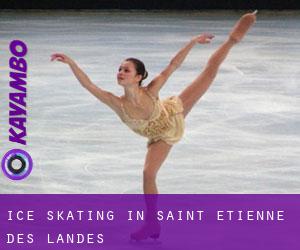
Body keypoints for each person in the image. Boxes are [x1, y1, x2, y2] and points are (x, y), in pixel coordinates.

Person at [51, 11, 257, 240]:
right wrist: (71, 63)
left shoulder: (151, 90)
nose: (120, 73)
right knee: (148, 174)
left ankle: (232, 39)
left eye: (126, 70)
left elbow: (174, 65)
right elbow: (88, 85)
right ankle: (151, 223)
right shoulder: (116, 103)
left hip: (175, 112)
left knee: (208, 72)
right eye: (119, 69)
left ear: (138, 77)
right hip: (161, 137)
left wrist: (192, 42)